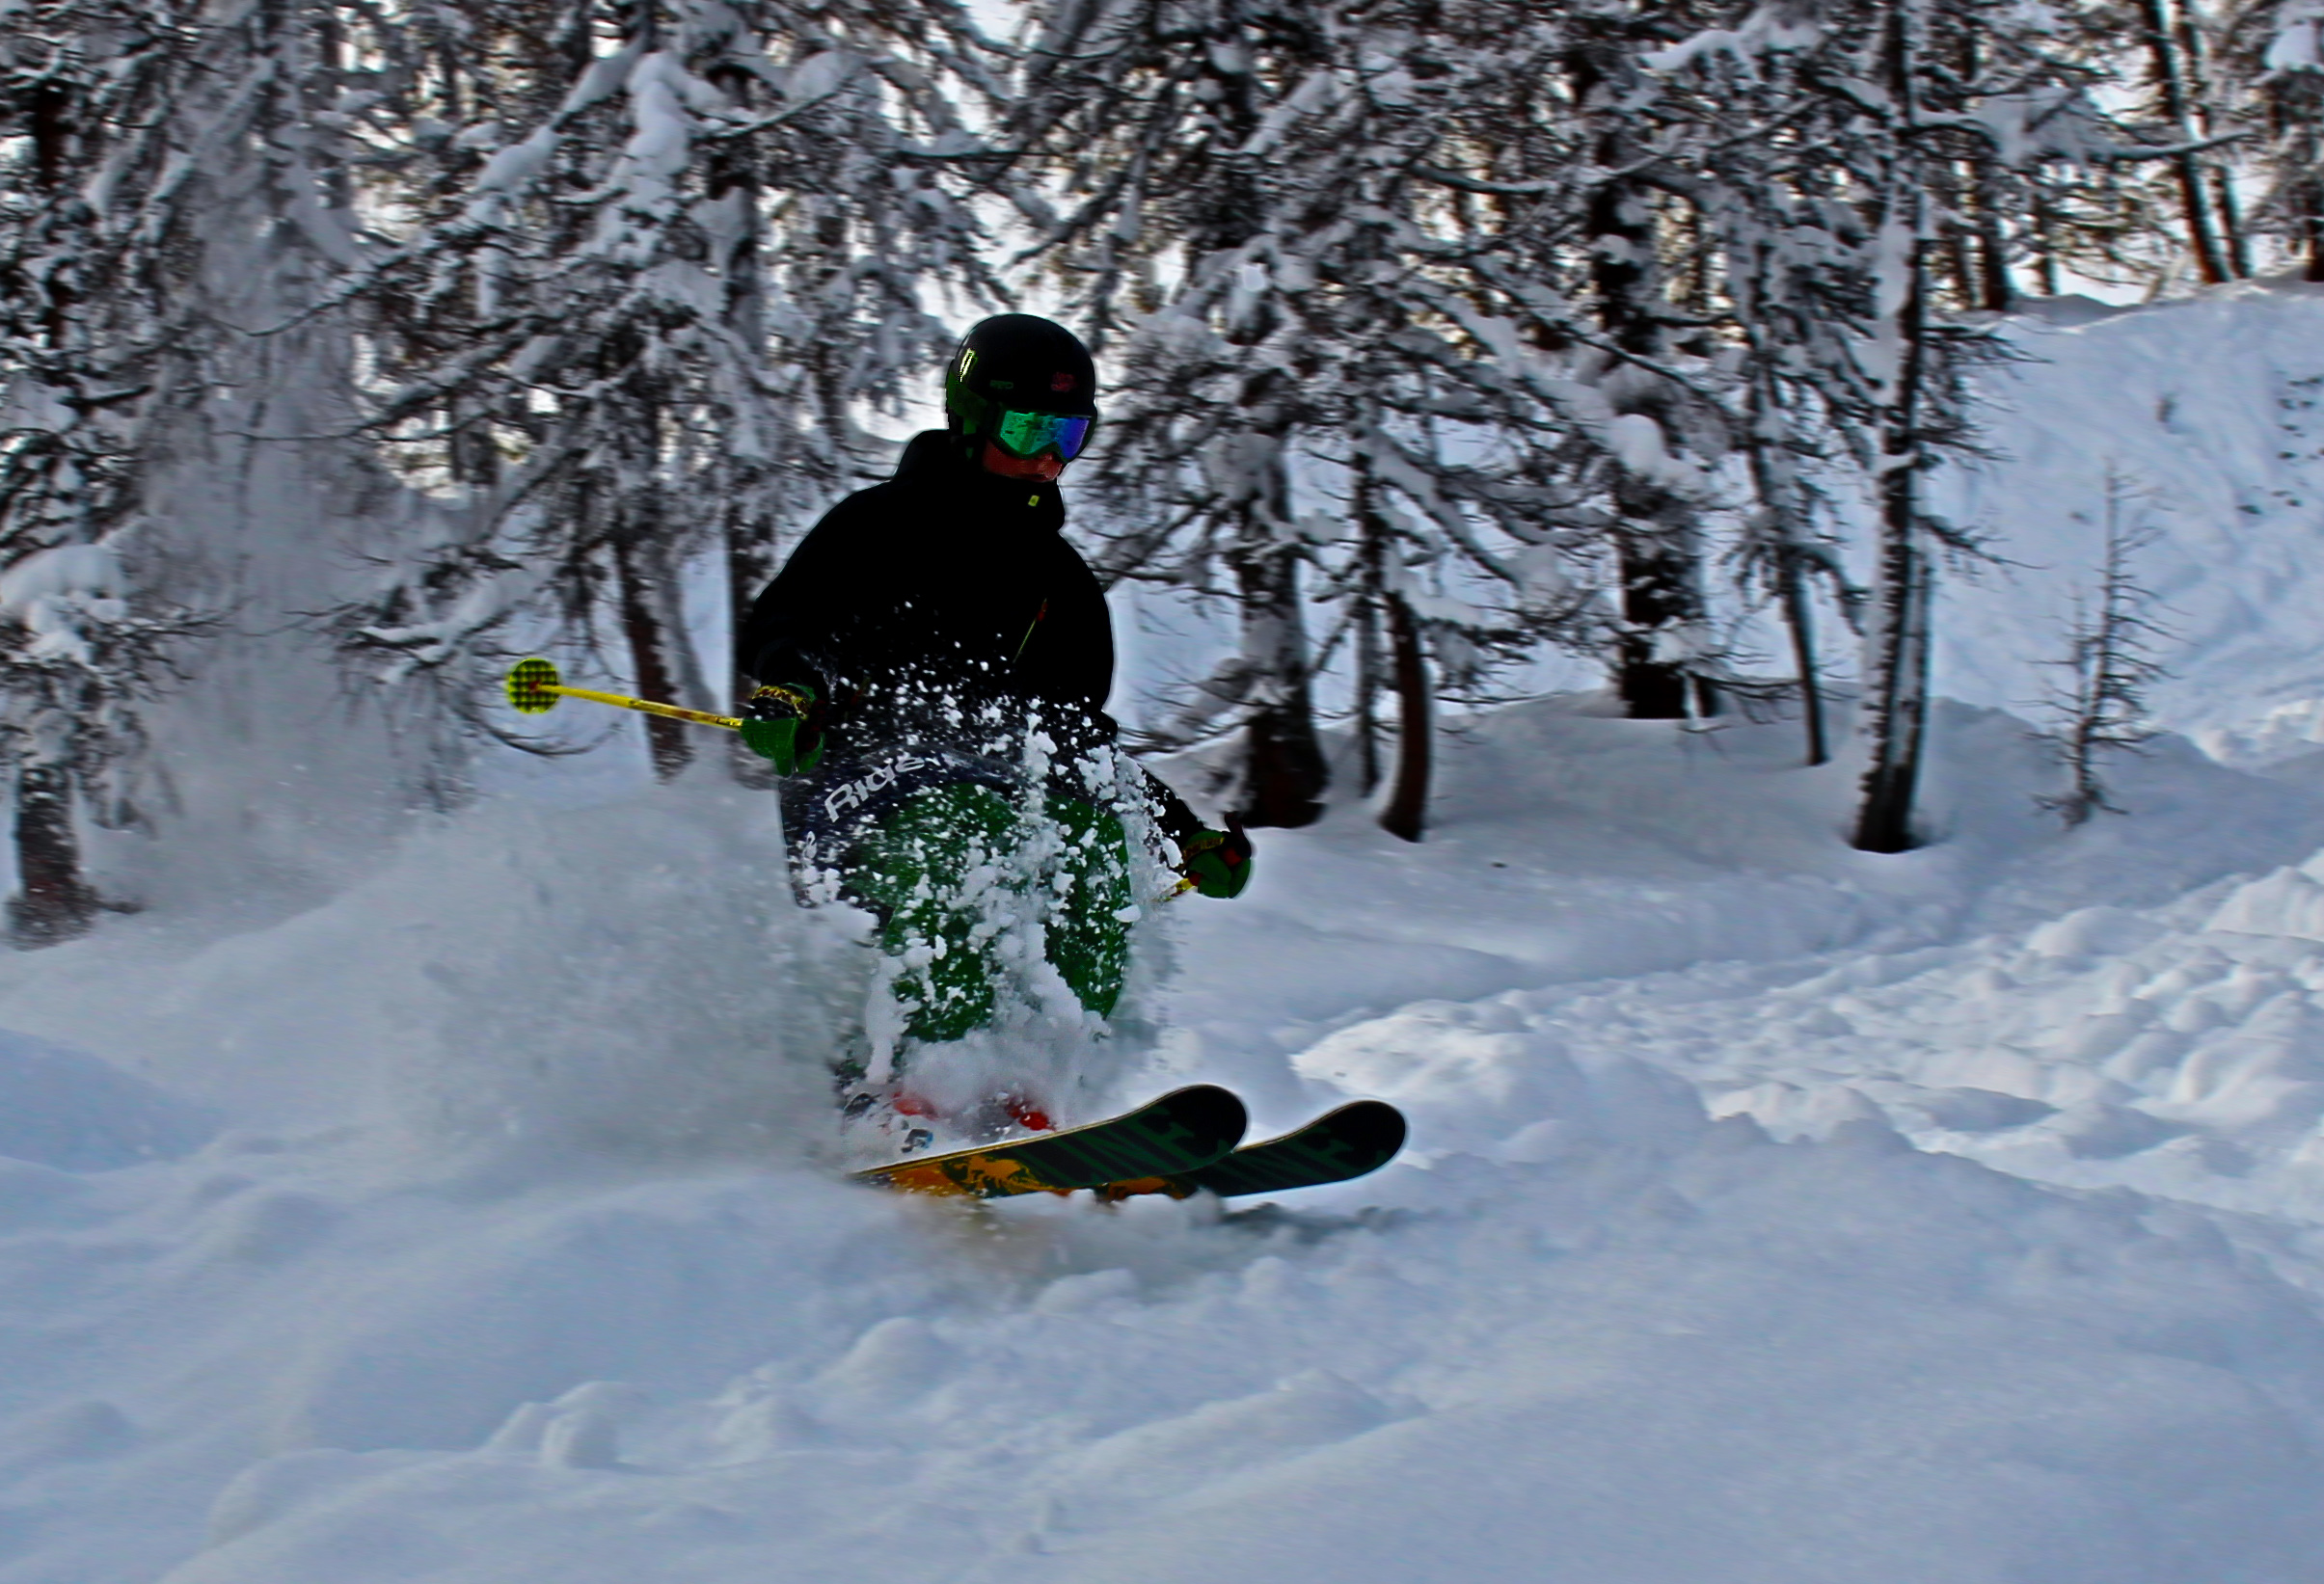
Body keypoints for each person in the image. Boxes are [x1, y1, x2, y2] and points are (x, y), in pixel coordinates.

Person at [735, 313, 1252, 1141]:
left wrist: (1177, 830)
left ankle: (1029, 1092)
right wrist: (794, 686)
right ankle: (913, 1090)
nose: (1050, 455)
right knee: (963, 837)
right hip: (861, 786)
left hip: (999, 790)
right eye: (1027, 428)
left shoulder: (1060, 584)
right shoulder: (879, 524)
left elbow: (1077, 742)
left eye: (1071, 432)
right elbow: (787, 621)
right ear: (970, 420)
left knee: (1087, 849)